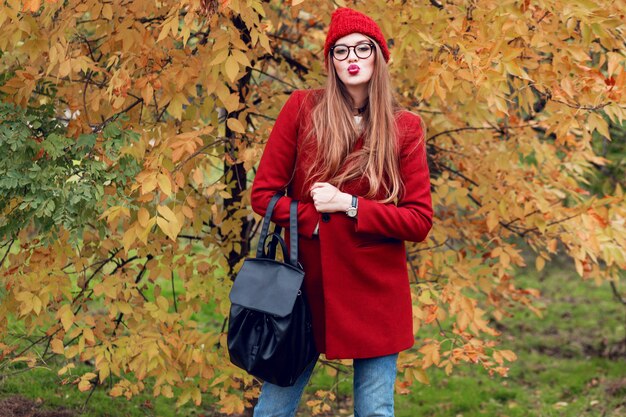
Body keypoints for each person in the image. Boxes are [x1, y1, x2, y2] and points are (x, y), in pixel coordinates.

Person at [249, 6, 433, 417]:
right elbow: (263, 196)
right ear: (331, 61)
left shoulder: (405, 127)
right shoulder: (302, 108)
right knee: (272, 410)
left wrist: (350, 206)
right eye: (341, 51)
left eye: (362, 49)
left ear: (379, 57)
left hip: (375, 291)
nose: (352, 58)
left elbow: (419, 221)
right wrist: (316, 220)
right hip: (304, 290)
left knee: (374, 411)